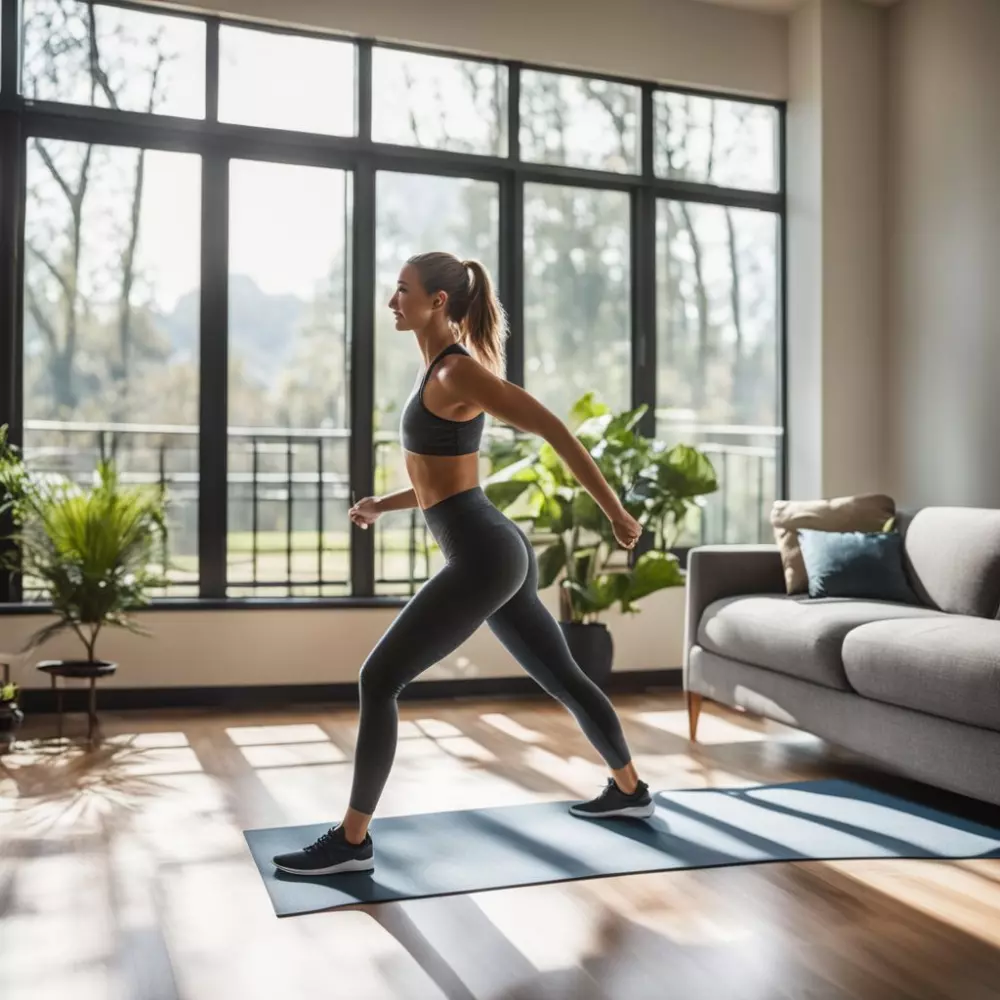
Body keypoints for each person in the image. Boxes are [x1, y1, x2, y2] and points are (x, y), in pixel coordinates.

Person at [272, 251, 652, 877]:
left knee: (378, 679)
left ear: (438, 302)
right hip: (490, 548)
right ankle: (632, 792)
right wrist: (385, 504)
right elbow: (442, 482)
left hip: (484, 555)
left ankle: (351, 841)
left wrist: (614, 511)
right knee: (562, 678)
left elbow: (554, 429)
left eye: (402, 291)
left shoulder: (457, 374)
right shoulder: (433, 374)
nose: (393, 302)